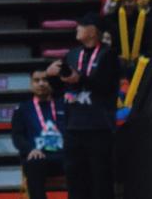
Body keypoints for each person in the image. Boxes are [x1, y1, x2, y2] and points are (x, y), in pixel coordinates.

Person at [47, 12, 119, 199]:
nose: (77, 28)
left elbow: (106, 86)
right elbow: (60, 88)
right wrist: (51, 76)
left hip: (99, 126)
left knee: (101, 178)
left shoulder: (108, 55)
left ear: (93, 31)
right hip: (74, 126)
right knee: (74, 177)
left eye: (81, 25)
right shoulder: (72, 54)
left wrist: (80, 79)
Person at [11, 70, 66, 199]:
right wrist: (30, 149)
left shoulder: (63, 105)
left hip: (63, 156)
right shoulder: (22, 109)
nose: (41, 83)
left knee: (78, 161)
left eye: (45, 80)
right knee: (34, 163)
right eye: (37, 80)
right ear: (31, 84)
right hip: (38, 156)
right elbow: (17, 136)